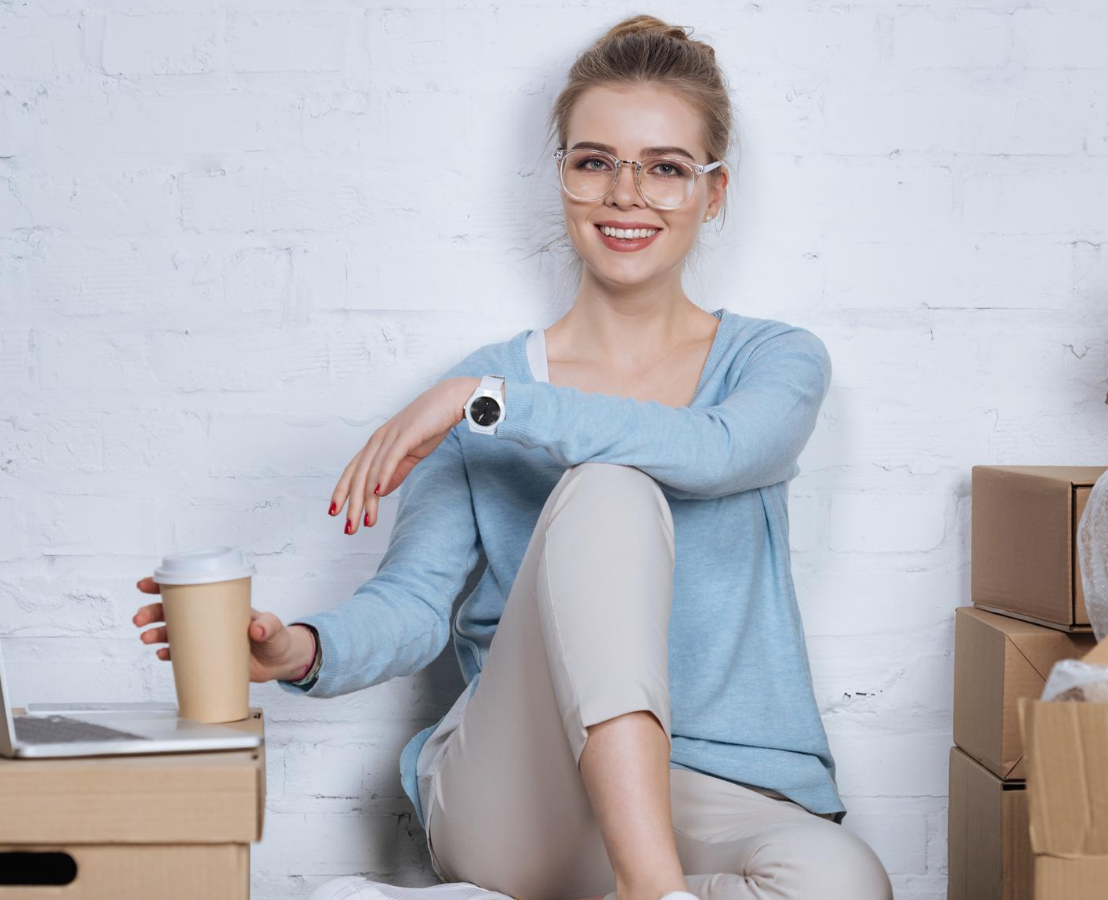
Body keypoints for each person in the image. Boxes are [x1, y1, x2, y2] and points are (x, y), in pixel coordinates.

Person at [133, 14, 892, 900]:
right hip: (521, 795)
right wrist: (299, 650)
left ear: (713, 194)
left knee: (846, 885)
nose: (627, 194)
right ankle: (650, 889)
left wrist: (488, 404)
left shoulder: (771, 361)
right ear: (563, 175)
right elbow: (415, 605)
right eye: (594, 160)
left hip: (717, 790)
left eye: (667, 168)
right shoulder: (485, 388)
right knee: (609, 489)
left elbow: (718, 451)